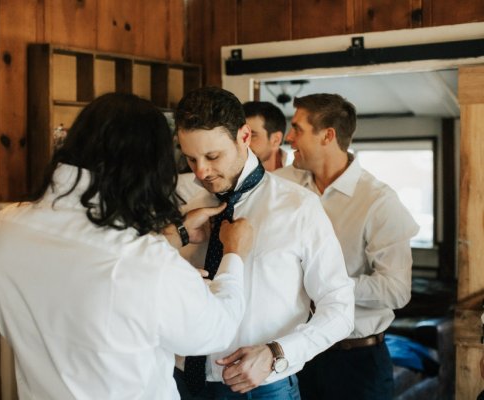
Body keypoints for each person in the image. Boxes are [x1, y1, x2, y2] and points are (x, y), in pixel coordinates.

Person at [0, 92, 256, 400]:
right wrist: (233, 255)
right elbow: (214, 331)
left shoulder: (3, 230)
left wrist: (173, 237)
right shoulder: (148, 264)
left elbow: (84, 275)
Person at [173, 87, 355, 400]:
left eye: (213, 156)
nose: (201, 171)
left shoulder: (298, 208)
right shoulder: (187, 213)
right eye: (191, 159)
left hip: (263, 388)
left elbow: (340, 309)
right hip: (180, 383)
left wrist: (276, 353)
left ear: (244, 137)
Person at [276, 93, 420, 400]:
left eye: (297, 128)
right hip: (295, 353)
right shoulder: (281, 185)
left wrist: (329, 284)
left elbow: (396, 290)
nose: (288, 138)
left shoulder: (378, 202)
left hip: (356, 362)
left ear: (327, 135)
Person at [243, 101, 288, 171]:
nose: (241, 143)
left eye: (252, 135)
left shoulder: (296, 179)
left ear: (276, 140)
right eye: (239, 136)